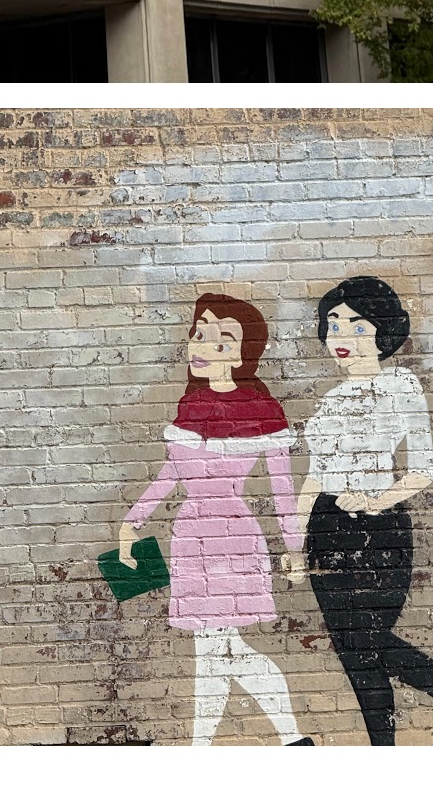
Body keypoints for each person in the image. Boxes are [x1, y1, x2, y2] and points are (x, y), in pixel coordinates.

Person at [292, 276, 433, 746]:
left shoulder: (401, 384)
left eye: (356, 326)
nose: (341, 338)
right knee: (355, 656)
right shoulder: (328, 403)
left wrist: (373, 501)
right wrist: (293, 542)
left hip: (380, 529)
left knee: (367, 642)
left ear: (383, 331)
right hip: (326, 531)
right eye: (333, 325)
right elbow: (314, 476)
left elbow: (422, 470)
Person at [117, 293, 312, 746]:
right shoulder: (190, 406)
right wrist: (133, 522)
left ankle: (271, 742)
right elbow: (172, 475)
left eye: (221, 340)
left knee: (220, 650)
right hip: (190, 537)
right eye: (199, 335)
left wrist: (294, 549)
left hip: (233, 538)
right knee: (216, 651)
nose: (203, 346)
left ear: (243, 355)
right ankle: (286, 742)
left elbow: (282, 489)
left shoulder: (262, 412)